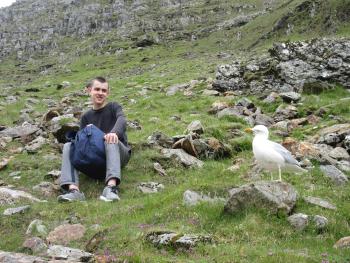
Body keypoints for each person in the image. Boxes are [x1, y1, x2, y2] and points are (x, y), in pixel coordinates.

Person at [57, 77, 131, 202]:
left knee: (110, 139)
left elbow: (122, 120)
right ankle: (73, 190)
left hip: (118, 155)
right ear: (89, 90)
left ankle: (111, 188)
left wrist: (113, 133)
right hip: (97, 160)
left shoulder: (113, 107)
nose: (100, 93)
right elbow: (82, 144)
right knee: (69, 146)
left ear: (108, 93)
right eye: (97, 89)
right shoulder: (86, 116)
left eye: (104, 90)